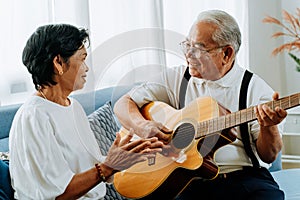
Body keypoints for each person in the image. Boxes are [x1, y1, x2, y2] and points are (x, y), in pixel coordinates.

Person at [114, 10, 287, 200]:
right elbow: (123, 103)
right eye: (187, 45)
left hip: (243, 177)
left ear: (227, 53)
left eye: (198, 48)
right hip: (187, 179)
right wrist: (144, 126)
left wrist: (268, 127)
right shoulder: (177, 77)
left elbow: (269, 155)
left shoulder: (257, 89)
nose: (188, 54)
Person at [8, 24, 163, 200]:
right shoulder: (33, 116)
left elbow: (95, 169)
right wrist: (107, 167)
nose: (87, 68)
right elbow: (52, 196)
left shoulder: (73, 107)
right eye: (82, 59)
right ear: (58, 62)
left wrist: (126, 156)